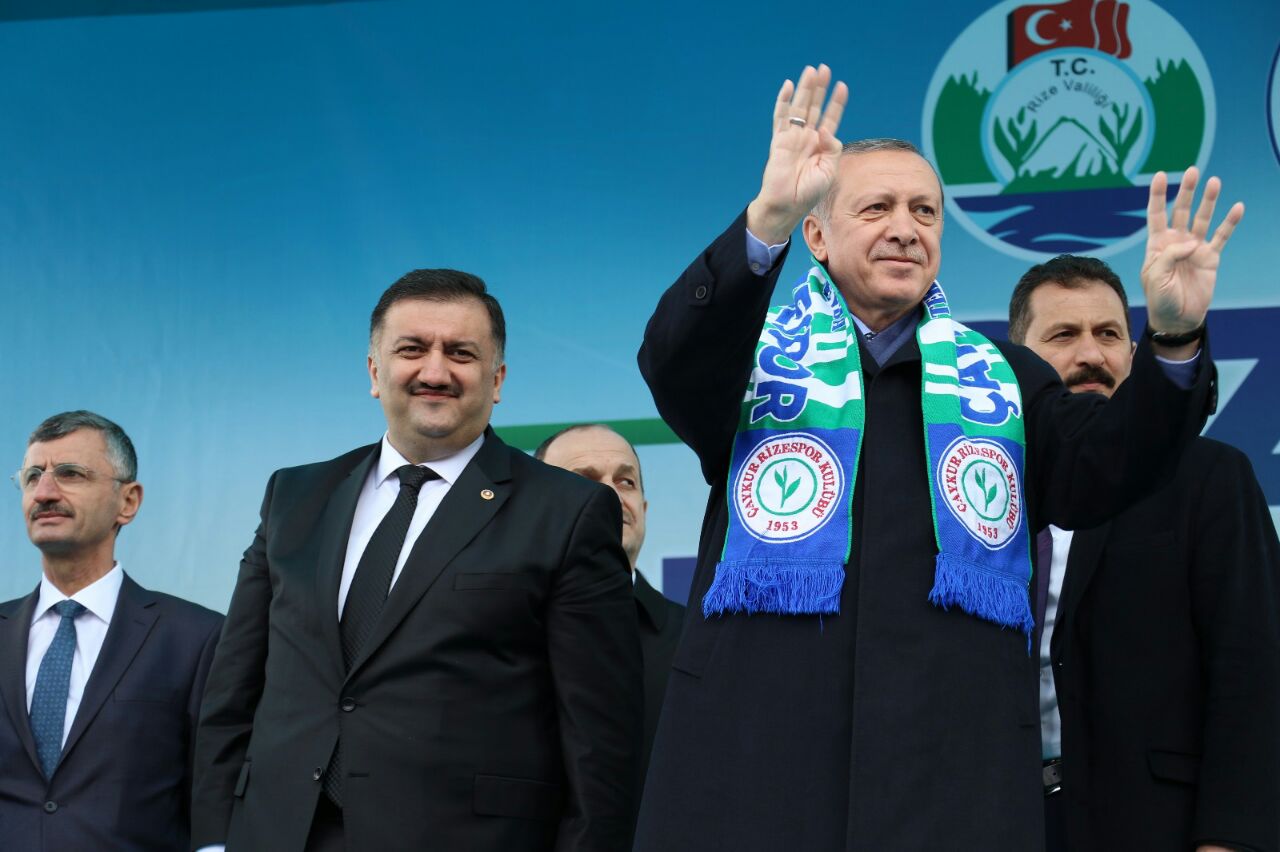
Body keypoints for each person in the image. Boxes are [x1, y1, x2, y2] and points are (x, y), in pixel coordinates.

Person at [634, 63, 1239, 850]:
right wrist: (766, 220)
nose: (905, 227)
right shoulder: (755, 360)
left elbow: (1111, 464)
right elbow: (675, 362)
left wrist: (1175, 336)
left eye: (924, 211)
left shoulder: (1002, 380)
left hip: (952, 772)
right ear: (816, 235)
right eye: (876, 208)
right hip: (757, 759)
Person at [190, 269, 642, 852]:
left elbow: (601, 740)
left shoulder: (567, 511)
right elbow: (233, 692)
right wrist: (213, 839)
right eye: (412, 350)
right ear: (374, 372)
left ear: (497, 380)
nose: (435, 371)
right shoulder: (294, 497)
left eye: (461, 353)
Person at [1008, 254, 1280, 852]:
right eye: (1063, 335)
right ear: (1018, 362)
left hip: (1155, 825)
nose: (1091, 354)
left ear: (1135, 354)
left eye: (1109, 334)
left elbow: (1254, 672)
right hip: (994, 820)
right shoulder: (971, 486)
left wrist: (1231, 839)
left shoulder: (1209, 477)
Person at [0, 410, 223, 851]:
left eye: (70, 473)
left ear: (128, 501)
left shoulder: (197, 638)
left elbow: (216, 796)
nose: (44, 493)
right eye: (32, 477)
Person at [535, 424, 685, 785]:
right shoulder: (491, 629)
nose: (610, 496)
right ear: (534, 511)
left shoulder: (696, 640)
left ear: (643, 509)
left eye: (626, 482)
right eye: (583, 480)